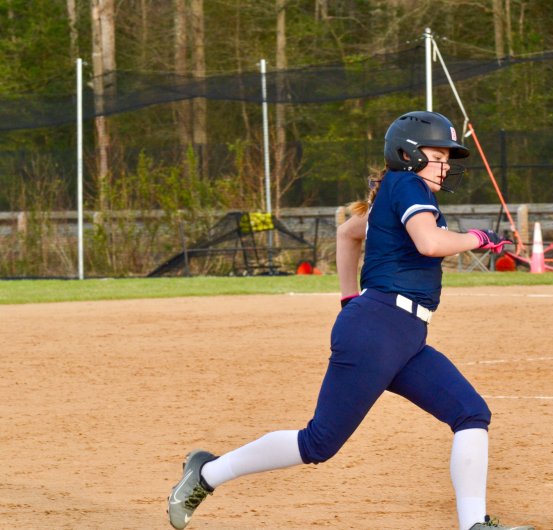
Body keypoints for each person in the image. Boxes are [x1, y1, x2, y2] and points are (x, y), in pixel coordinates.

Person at [167, 110, 534, 530]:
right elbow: (430, 242)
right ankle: (206, 473)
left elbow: (348, 233)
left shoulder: (396, 191)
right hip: (381, 328)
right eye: (438, 155)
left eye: (447, 158)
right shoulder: (408, 184)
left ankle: (473, 525)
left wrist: (348, 298)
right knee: (319, 442)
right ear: (408, 154)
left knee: (470, 413)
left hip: (402, 334)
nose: (446, 165)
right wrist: (478, 238)